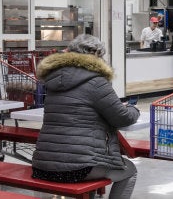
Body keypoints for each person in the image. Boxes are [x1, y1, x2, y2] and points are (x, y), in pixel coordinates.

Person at [32, 35, 140, 198]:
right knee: (129, 171)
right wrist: (133, 109)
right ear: (94, 53)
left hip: (42, 166)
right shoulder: (96, 81)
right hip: (78, 169)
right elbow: (122, 117)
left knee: (89, 165)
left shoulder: (54, 80)